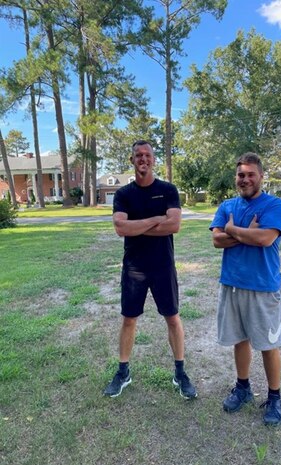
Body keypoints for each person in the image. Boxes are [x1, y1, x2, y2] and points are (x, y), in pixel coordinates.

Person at [103, 140, 197, 400]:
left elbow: (174, 225)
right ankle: (123, 372)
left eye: (147, 155)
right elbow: (121, 229)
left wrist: (139, 224)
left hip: (162, 265)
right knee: (129, 319)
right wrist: (157, 219)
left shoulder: (167, 190)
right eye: (138, 155)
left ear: (153, 159)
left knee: (173, 318)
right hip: (134, 267)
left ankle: (180, 372)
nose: (143, 159)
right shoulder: (123, 195)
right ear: (132, 160)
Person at [209, 152, 281, 426]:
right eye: (241, 175)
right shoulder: (227, 205)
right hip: (232, 284)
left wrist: (233, 229)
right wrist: (243, 232)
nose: (245, 179)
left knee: (269, 344)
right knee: (239, 339)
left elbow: (266, 238)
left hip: (263, 286)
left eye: (250, 174)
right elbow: (217, 240)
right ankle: (242, 387)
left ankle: (275, 397)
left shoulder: (274, 204)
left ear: (261, 176)